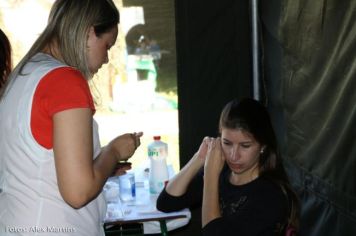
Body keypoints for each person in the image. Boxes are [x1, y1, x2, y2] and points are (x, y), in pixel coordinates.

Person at [0, 0, 142, 235]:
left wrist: (101, 167)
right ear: (89, 31)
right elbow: (78, 192)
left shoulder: (24, 73)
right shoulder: (65, 81)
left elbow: (35, 162)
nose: (107, 59)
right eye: (107, 46)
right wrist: (114, 151)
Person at [157, 98, 300, 236]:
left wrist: (210, 176)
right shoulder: (223, 171)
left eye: (245, 146)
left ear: (263, 145)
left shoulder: (271, 195)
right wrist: (199, 158)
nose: (233, 155)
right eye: (227, 143)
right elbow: (166, 203)